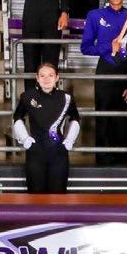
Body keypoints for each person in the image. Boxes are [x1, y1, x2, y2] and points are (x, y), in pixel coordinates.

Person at [78, 0, 127, 166]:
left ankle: (123, 161)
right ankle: (103, 161)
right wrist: (107, 47)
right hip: (105, 70)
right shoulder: (95, 15)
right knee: (103, 117)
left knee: (124, 120)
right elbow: (85, 47)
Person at [11, 62, 81, 194]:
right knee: (35, 196)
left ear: (57, 78)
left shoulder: (66, 98)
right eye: (42, 76)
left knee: (58, 196)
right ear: (37, 78)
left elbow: (75, 118)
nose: (46, 79)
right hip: (35, 152)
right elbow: (17, 117)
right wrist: (25, 138)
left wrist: (70, 139)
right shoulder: (27, 96)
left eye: (50, 75)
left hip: (58, 153)